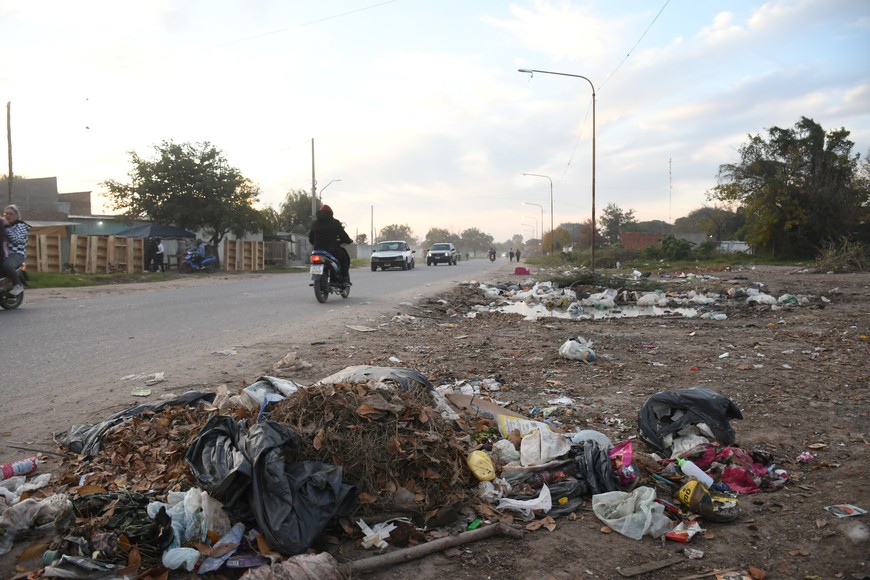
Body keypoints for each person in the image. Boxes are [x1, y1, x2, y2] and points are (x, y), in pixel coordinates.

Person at [309, 204, 353, 285]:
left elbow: (311, 239)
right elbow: (344, 237)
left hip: (317, 251)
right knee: (344, 256)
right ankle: (345, 279)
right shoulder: (335, 223)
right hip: (331, 250)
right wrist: (348, 241)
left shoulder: (314, 224)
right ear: (331, 213)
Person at [1, 205, 31, 296]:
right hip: (4, 253)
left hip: (16, 253)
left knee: (7, 265)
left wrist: (7, 227)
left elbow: (16, 239)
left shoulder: (21, 226)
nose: (7, 215)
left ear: (17, 215)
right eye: (6, 213)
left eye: (10, 214)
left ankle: (17, 285)